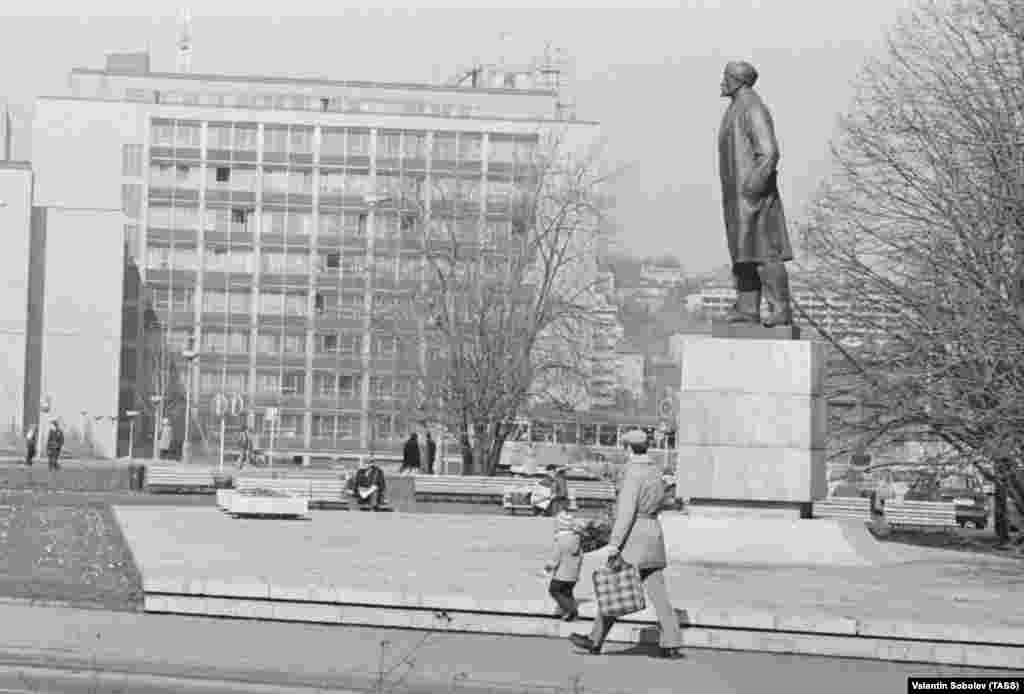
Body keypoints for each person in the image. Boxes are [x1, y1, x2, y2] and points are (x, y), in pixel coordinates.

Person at [569, 429, 683, 659]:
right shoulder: (655, 471)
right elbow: (662, 502)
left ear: (628, 447)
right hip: (653, 533)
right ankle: (671, 642)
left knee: (614, 587)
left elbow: (626, 513)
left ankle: (595, 640)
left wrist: (614, 543)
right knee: (659, 595)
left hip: (634, 537)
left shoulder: (632, 472)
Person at [718, 60, 794, 327]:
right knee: (744, 252)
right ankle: (747, 307)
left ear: (737, 80)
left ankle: (780, 309)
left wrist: (753, 187)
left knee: (764, 252)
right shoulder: (736, 107)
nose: (722, 82)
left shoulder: (752, 107)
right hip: (738, 196)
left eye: (726, 77)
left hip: (753, 196)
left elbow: (769, 152)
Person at [544, 510, 582, 622]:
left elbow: (555, 558)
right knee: (567, 593)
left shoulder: (561, 540)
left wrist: (547, 569)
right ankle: (570, 613)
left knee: (554, 590)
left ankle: (571, 611)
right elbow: (580, 557)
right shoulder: (576, 539)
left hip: (561, 575)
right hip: (573, 575)